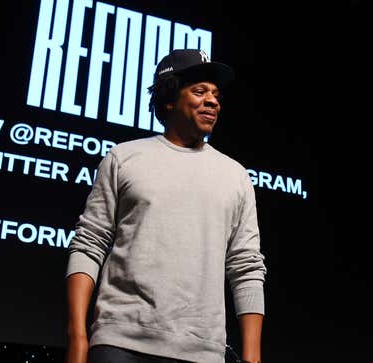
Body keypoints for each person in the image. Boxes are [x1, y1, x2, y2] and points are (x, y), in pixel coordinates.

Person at [64, 48, 267, 363]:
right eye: (200, 91)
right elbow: (89, 243)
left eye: (216, 94)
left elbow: (246, 266)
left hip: (202, 352)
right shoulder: (124, 158)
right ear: (170, 98)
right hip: (120, 343)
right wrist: (77, 336)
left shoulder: (235, 176)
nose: (213, 101)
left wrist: (252, 358)